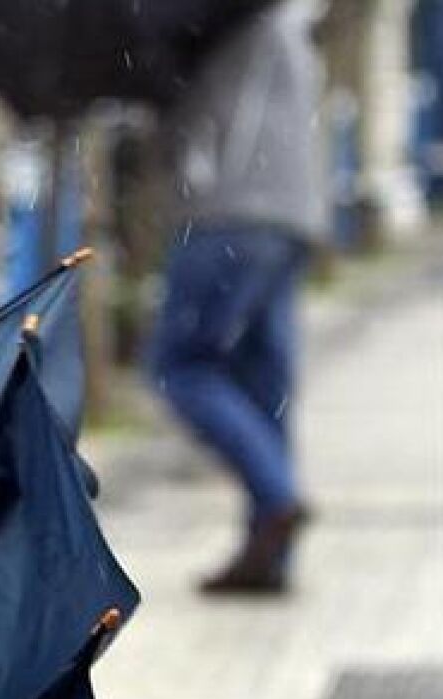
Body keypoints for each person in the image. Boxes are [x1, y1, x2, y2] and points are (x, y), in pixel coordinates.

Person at [148, 0, 329, 595]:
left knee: (182, 366)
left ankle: (276, 500)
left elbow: (176, 83)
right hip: (292, 212)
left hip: (229, 209)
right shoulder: (286, 24)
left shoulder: (216, 19)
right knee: (264, 383)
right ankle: (267, 554)